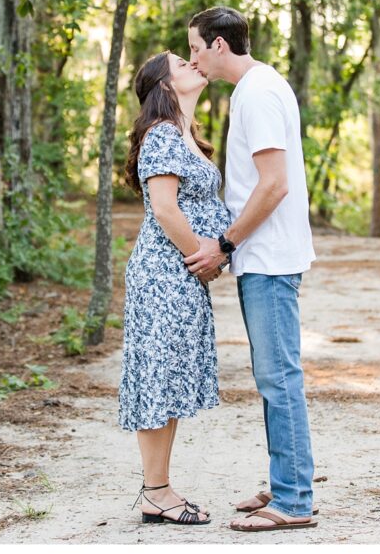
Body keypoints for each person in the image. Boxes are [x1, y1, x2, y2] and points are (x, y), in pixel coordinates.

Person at [185, 6, 318, 532]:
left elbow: (273, 184)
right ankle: (286, 481)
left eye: (196, 47)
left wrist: (224, 244)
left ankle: (293, 500)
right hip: (263, 257)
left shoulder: (257, 93)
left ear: (219, 46)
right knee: (273, 377)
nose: (193, 57)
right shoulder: (258, 88)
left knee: (278, 377)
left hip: (268, 258)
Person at [119, 51, 231, 526]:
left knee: (168, 382)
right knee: (156, 380)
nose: (193, 64)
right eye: (181, 64)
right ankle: (156, 491)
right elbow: (165, 209)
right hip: (164, 273)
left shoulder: (185, 135)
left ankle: (158, 489)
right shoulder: (163, 135)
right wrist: (202, 258)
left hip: (178, 274)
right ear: (165, 86)